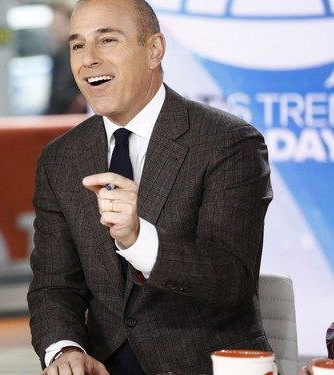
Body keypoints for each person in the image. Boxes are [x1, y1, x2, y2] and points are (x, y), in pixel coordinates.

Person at [27, 0, 273, 374]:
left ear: (154, 50)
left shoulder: (229, 143)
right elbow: (54, 285)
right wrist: (65, 350)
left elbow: (231, 279)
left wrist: (138, 239)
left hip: (203, 364)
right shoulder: (60, 159)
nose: (88, 59)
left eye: (107, 40)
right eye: (77, 45)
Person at [45, 0, 86, 115]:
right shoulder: (62, 52)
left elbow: (60, 95)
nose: (52, 29)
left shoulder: (66, 55)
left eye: (57, 24)